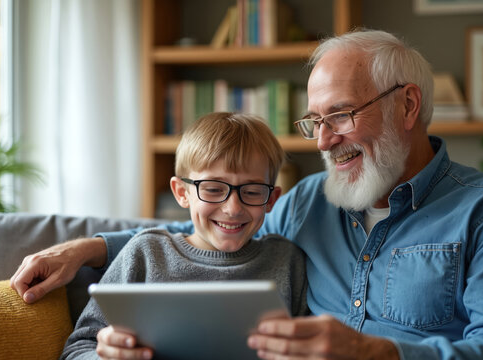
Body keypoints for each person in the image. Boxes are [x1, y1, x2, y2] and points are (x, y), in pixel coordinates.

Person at [11, 29, 483, 359]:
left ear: (407, 107)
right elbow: (212, 227)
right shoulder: (307, 201)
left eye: (339, 115)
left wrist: (376, 353)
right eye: (314, 120)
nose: (322, 140)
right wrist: (88, 248)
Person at [59, 112, 308, 359]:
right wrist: (107, 356)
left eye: (253, 191)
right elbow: (77, 350)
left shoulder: (287, 261)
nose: (233, 208)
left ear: (272, 199)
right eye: (212, 189)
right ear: (182, 193)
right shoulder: (146, 253)